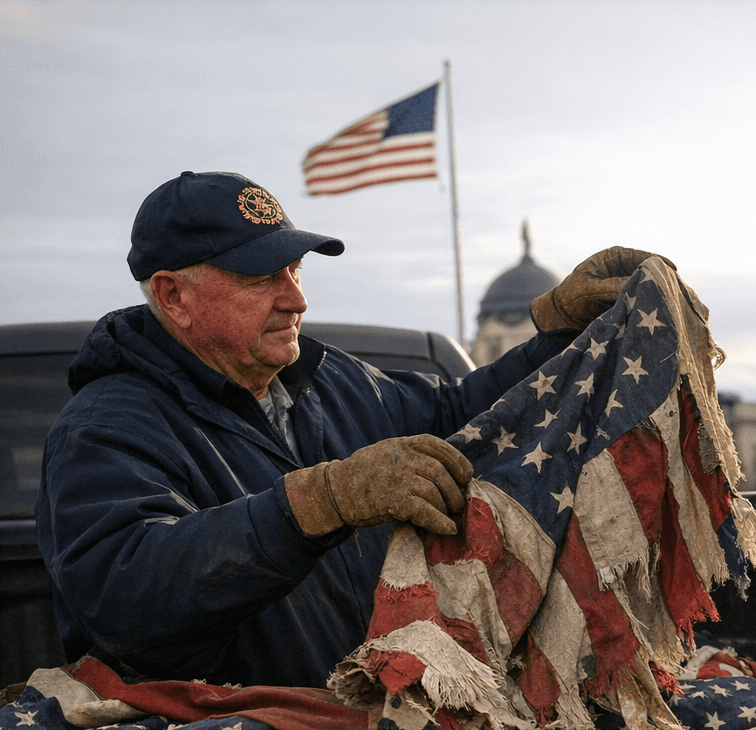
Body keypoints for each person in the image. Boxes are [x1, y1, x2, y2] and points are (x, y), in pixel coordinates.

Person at [37, 170, 660, 690]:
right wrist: (318, 502)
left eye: (294, 270)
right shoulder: (103, 429)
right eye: (260, 279)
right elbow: (126, 590)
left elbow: (457, 418)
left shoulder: (332, 381)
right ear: (174, 297)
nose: (295, 300)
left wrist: (554, 336)